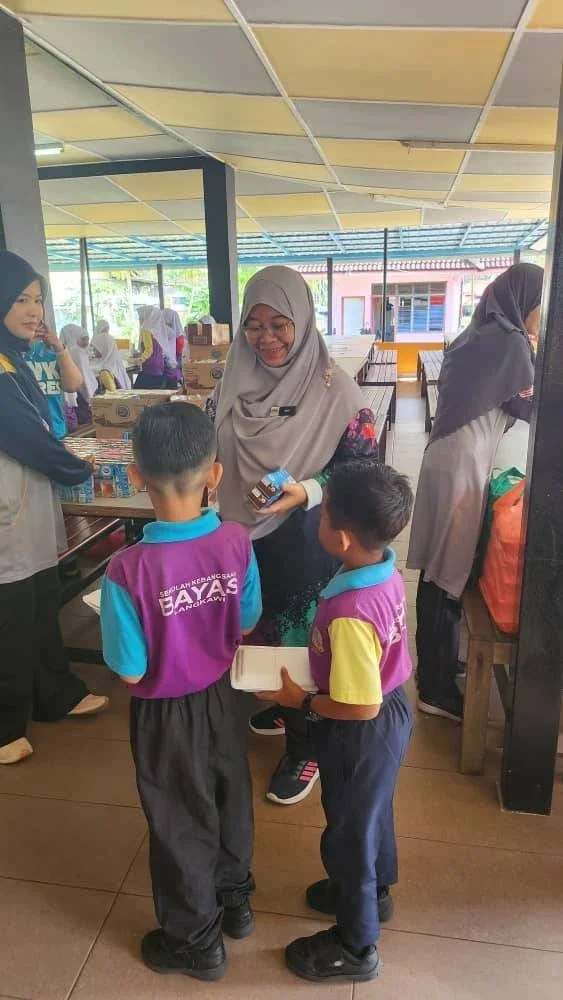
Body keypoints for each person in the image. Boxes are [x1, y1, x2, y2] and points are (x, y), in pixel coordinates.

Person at [100, 402, 262, 982]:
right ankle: (235, 901)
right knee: (229, 795)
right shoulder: (237, 542)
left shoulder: (126, 570)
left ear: (136, 476)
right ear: (215, 474)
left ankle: (196, 942)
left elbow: (128, 670)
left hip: (164, 714)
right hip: (224, 698)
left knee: (178, 817)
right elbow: (246, 619)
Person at [208, 265, 378, 805]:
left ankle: (306, 748)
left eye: (280, 324)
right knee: (258, 629)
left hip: (306, 534)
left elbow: (362, 471)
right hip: (242, 532)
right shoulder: (232, 380)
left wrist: (307, 488)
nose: (267, 339)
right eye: (254, 325)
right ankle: (282, 708)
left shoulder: (338, 393)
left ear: (303, 323)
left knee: (300, 638)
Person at [257, 460, 414, 983]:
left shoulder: (350, 610)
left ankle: (356, 942)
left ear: (341, 538)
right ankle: (379, 889)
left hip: (361, 727)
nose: (317, 522)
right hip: (390, 710)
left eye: (322, 516)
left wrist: (300, 701)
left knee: (348, 831)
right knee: (372, 814)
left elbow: (358, 704)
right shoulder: (382, 568)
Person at [407, 263, 542, 721]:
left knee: (438, 568)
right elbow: (530, 407)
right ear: (525, 302)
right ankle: (437, 687)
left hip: (446, 458)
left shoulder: (478, 334)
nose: (544, 318)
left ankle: (437, 665)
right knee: (449, 572)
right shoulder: (510, 343)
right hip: (462, 466)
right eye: (543, 307)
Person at [0, 250, 109, 766]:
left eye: (38, 299)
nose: (32, 310)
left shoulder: (13, 357)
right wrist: (83, 470)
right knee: (12, 621)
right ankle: (3, 728)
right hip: (8, 513)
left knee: (44, 603)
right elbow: (24, 437)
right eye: (20, 299)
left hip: (26, 506)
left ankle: (54, 694)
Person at [26, 323, 84, 438]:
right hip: (24, 435)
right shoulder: (7, 352)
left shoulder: (50, 350)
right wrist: (24, 346)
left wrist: (58, 346)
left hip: (56, 431)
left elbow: (73, 385)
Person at [60, 323, 98, 424]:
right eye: (84, 339)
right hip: (81, 390)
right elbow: (83, 375)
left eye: (87, 339)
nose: (86, 342)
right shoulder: (75, 352)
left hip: (82, 389)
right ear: (75, 338)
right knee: (86, 417)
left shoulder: (79, 351)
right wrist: (88, 391)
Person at [135, 306, 180, 389]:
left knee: (143, 392)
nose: (139, 319)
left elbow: (149, 349)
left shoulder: (146, 329)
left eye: (141, 317)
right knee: (155, 391)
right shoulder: (159, 330)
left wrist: (140, 359)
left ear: (146, 316)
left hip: (149, 365)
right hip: (160, 365)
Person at [91, 324, 131, 392]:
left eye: (95, 349)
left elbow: (112, 394)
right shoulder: (116, 364)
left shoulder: (105, 371)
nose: (93, 352)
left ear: (103, 348)